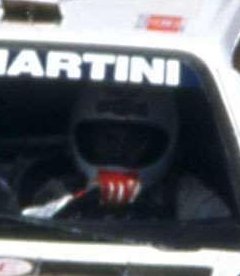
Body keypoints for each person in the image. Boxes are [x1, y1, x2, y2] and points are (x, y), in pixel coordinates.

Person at [18, 85, 228, 222]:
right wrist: (79, 202)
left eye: (135, 140)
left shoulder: (187, 196)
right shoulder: (54, 185)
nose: (118, 151)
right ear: (84, 137)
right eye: (107, 138)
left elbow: (223, 239)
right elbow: (23, 224)